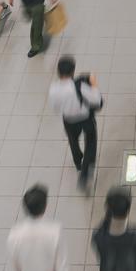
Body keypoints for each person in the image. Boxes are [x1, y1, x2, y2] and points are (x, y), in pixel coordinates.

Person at [49, 55, 103, 183]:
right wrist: (94, 85)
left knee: (73, 141)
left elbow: (55, 108)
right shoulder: (79, 86)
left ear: (58, 72)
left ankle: (78, 162)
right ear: (73, 71)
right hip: (85, 119)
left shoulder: (53, 89)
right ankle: (85, 171)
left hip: (68, 120)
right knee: (90, 143)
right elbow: (96, 100)